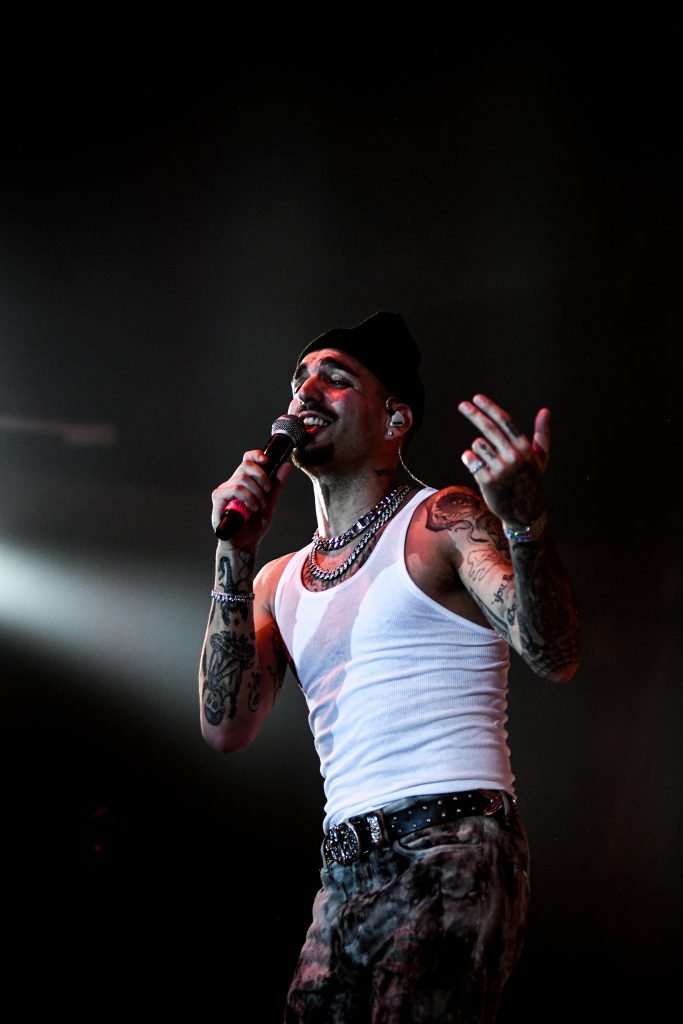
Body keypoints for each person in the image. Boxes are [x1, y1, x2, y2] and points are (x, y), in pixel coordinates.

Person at [198, 311, 581, 1023]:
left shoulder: (442, 521)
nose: (306, 391)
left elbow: (553, 654)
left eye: (335, 379)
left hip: (450, 845)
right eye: (299, 379)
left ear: (395, 417)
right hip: (343, 869)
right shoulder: (277, 579)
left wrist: (523, 522)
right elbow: (226, 728)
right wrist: (234, 554)